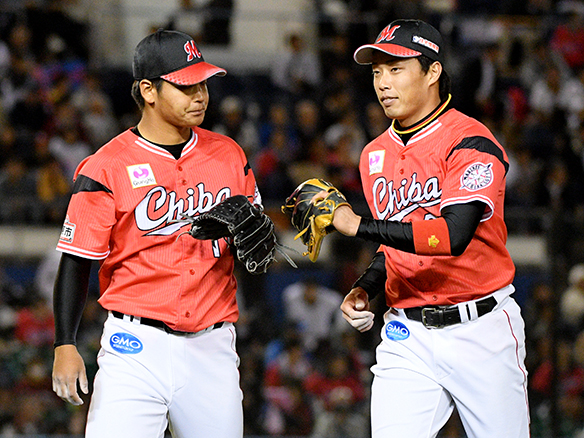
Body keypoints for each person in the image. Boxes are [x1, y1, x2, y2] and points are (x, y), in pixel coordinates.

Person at [51, 29, 262, 437]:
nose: (200, 96)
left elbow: (251, 251)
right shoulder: (106, 166)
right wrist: (65, 343)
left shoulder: (229, 155)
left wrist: (254, 246)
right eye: (186, 86)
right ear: (148, 90)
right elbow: (76, 261)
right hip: (134, 345)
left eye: (203, 84)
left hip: (212, 346)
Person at [326, 19, 529, 437]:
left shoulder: (471, 141)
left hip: (480, 329)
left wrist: (356, 225)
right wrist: (366, 286)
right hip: (407, 333)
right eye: (377, 72)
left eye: (395, 69)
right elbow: (397, 242)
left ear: (432, 71)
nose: (383, 83)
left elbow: (452, 236)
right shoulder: (373, 154)